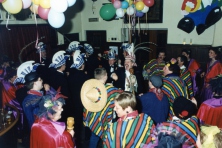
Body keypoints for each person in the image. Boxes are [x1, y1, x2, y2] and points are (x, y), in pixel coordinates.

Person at [82, 68, 122, 148]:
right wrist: (117, 81)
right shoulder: (110, 90)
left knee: (94, 137)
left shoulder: (90, 87)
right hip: (106, 118)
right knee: (108, 138)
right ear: (105, 77)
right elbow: (122, 93)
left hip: (93, 117)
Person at [67, 50, 89, 147]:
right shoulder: (86, 77)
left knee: (76, 123)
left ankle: (76, 140)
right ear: (82, 65)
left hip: (74, 102)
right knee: (86, 121)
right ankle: (86, 138)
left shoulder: (70, 77)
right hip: (84, 102)